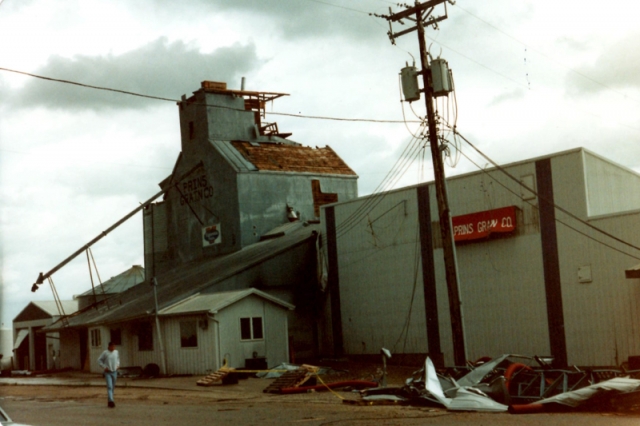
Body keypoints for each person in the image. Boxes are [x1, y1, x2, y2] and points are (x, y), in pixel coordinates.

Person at [97, 342, 120, 408]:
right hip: (108, 372)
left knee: (112, 387)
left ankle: (109, 401)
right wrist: (104, 367)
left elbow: (118, 359)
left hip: (114, 371)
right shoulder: (105, 353)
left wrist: (118, 365)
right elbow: (99, 360)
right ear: (109, 346)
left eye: (114, 346)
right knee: (109, 386)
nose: (113, 348)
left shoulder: (116, 352)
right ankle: (111, 401)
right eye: (112, 346)